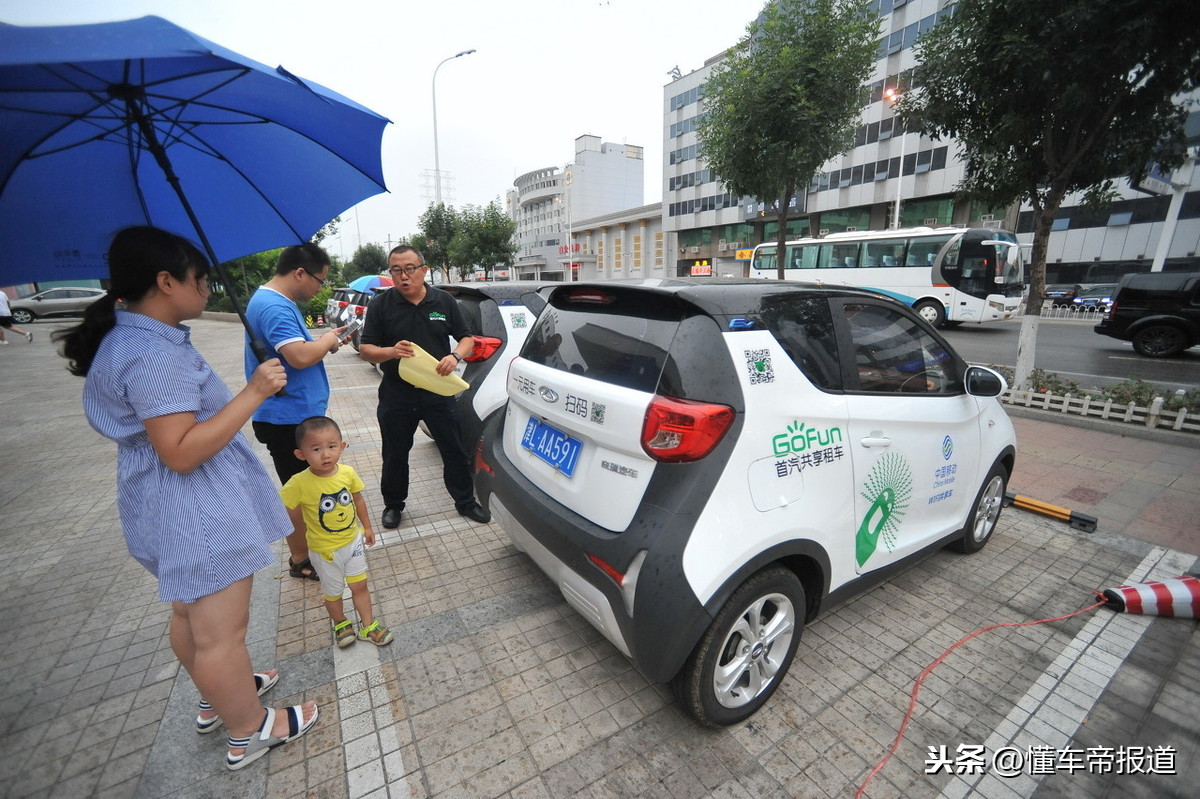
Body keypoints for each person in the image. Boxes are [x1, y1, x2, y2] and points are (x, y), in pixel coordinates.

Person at [54, 226, 318, 771]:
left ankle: (221, 695)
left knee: (190, 610)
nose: (206, 288)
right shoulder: (152, 353)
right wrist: (255, 392)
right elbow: (179, 451)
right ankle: (248, 728)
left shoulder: (139, 338)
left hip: (168, 505)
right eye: (199, 279)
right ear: (166, 281)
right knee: (222, 633)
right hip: (195, 507)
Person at [358, 245, 489, 529]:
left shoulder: (443, 302)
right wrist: (391, 351)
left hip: (437, 391)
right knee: (394, 452)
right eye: (396, 270)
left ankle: (465, 501)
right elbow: (366, 348)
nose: (403, 276)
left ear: (423, 270)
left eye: (409, 269)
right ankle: (393, 505)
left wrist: (455, 356)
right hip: (397, 392)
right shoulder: (381, 304)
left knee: (453, 449)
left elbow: (467, 338)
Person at [244, 244, 349, 582]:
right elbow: (299, 357)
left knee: (305, 491)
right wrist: (328, 341)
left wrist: (322, 343)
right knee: (299, 493)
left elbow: (298, 351)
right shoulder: (274, 305)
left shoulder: (273, 302)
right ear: (300, 272)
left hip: (292, 414)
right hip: (287, 419)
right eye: (320, 280)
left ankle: (308, 553)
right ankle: (301, 559)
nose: (320, 288)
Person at [280, 415, 393, 648]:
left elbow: (358, 499)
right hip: (324, 551)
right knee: (333, 592)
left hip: (352, 543)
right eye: (316, 449)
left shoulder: (347, 473)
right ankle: (341, 623)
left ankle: (368, 625)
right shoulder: (298, 482)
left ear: (341, 446)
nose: (326, 454)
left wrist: (368, 527)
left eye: (332, 447)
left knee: (359, 585)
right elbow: (279, 508)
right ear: (301, 454)